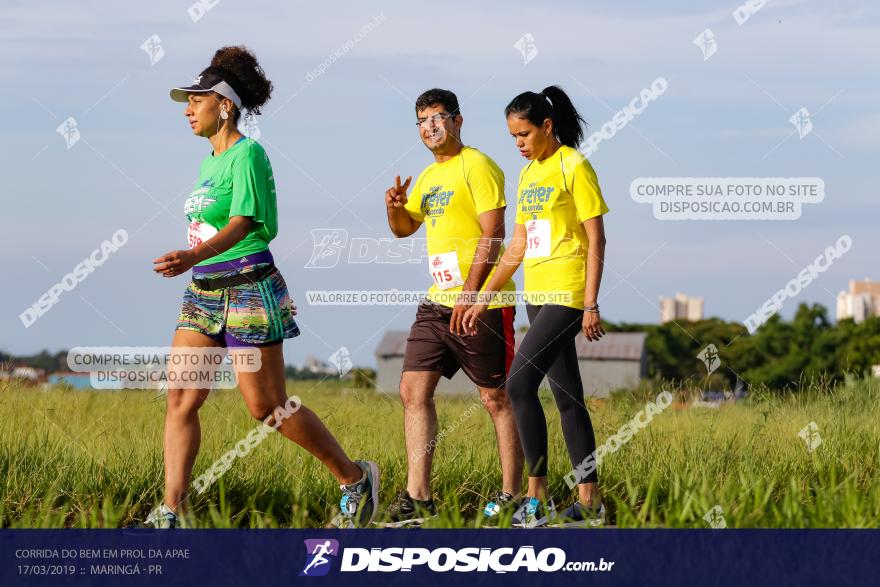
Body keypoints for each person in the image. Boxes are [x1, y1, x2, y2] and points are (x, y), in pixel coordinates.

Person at [146, 45, 378, 529]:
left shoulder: (248, 154)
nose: (187, 110)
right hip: (203, 292)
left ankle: (354, 478)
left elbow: (243, 223)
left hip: (248, 289)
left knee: (266, 407)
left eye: (196, 100)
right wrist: (193, 263)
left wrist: (191, 255)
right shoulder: (210, 161)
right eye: (186, 102)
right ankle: (173, 509)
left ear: (224, 105)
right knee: (181, 398)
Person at [463, 85, 609, 528]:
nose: (519, 144)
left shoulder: (574, 166)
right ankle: (591, 504)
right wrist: (483, 295)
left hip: (567, 294)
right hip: (536, 294)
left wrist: (590, 304)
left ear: (547, 126)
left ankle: (535, 498)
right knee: (568, 400)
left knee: (519, 386)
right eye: (513, 137)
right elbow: (518, 247)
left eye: (524, 134)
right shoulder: (528, 176)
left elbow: (597, 238)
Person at [382, 88, 524, 526]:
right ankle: (418, 499)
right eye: (422, 121)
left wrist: (472, 291)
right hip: (436, 303)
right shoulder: (427, 178)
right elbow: (405, 229)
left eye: (438, 118)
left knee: (496, 397)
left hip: (482, 302)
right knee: (412, 392)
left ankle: (513, 497)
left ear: (458, 121)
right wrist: (392, 208)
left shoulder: (477, 166)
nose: (430, 127)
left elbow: (494, 232)